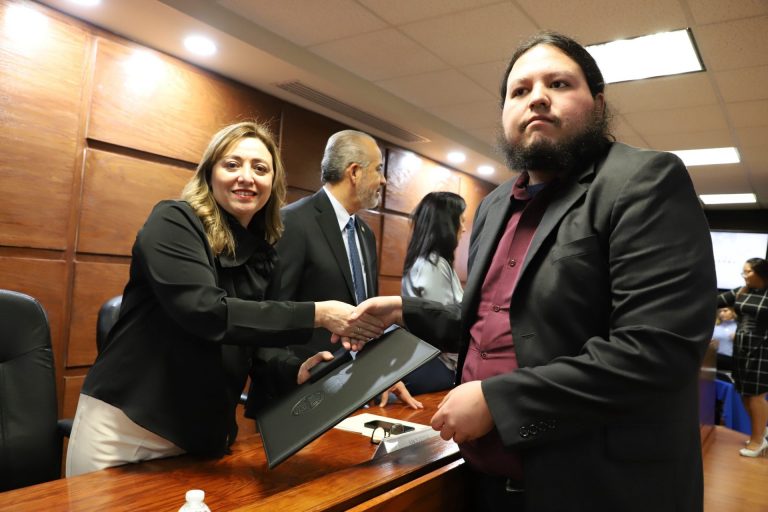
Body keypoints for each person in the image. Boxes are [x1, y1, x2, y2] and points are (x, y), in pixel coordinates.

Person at [349, 31, 716, 510]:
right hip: (485, 482)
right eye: (519, 90)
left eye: (559, 84)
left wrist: (499, 400)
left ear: (598, 103)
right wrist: (405, 310)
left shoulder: (643, 180)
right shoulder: (495, 204)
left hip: (598, 489)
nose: (537, 98)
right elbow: (496, 323)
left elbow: (657, 349)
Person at [66, 121, 383, 477]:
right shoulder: (174, 220)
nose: (247, 177)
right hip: (127, 431)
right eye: (232, 164)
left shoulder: (260, 254)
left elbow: (252, 345)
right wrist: (317, 314)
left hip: (203, 440)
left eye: (260, 168)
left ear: (273, 184)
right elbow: (205, 311)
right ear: (210, 173)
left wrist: (294, 369)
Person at [272, 129, 422, 409]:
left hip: (352, 392)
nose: (383, 180)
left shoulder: (365, 233)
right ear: (354, 172)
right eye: (378, 169)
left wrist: (381, 373)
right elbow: (272, 313)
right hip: (300, 396)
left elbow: (366, 317)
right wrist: (295, 371)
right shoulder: (292, 222)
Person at [400, 191, 466, 394]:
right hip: (435, 367)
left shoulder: (430, 261)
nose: (464, 228)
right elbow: (440, 325)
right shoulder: (433, 264)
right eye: (461, 220)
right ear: (446, 223)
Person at [717, 257, 768, 457]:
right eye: (743, 272)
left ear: (761, 273)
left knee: (756, 396)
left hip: (762, 349)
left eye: (748, 271)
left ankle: (757, 441)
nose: (744, 275)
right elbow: (714, 301)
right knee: (745, 394)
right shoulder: (742, 291)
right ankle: (761, 433)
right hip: (741, 347)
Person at [712, 307, 737, 373]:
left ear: (733, 311)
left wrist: (738, 338)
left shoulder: (739, 326)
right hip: (715, 358)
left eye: (725, 311)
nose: (722, 313)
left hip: (731, 360)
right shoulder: (714, 326)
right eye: (720, 311)